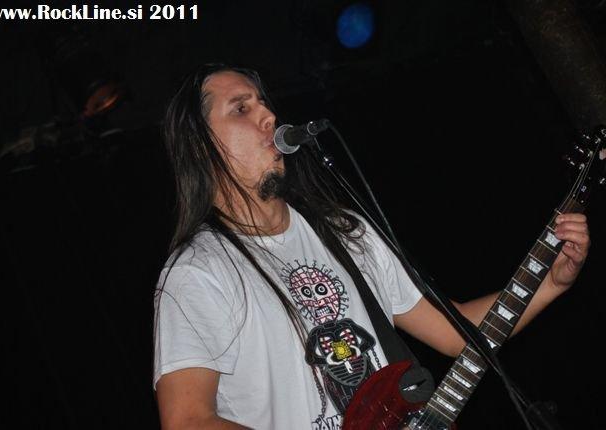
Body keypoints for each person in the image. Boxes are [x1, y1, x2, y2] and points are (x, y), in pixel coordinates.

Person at [152, 63, 590, 430]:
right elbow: (187, 420)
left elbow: (458, 336)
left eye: (263, 103)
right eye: (241, 108)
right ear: (200, 146)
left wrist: (550, 282)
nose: (268, 115)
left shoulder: (347, 232)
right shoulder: (198, 272)